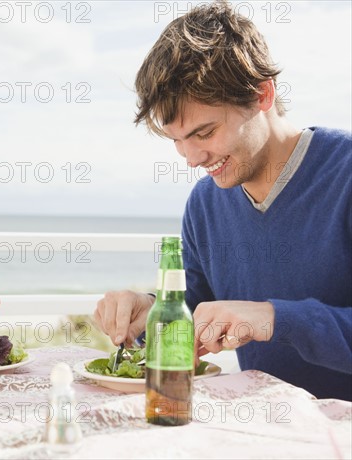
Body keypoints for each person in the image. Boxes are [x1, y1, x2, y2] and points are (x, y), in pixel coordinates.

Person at [94, 1, 351, 400]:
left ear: (262, 94)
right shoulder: (205, 204)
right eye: (177, 141)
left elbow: (270, 320)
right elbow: (193, 309)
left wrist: (274, 318)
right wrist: (150, 313)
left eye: (204, 132)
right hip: (270, 431)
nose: (192, 159)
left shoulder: (345, 175)